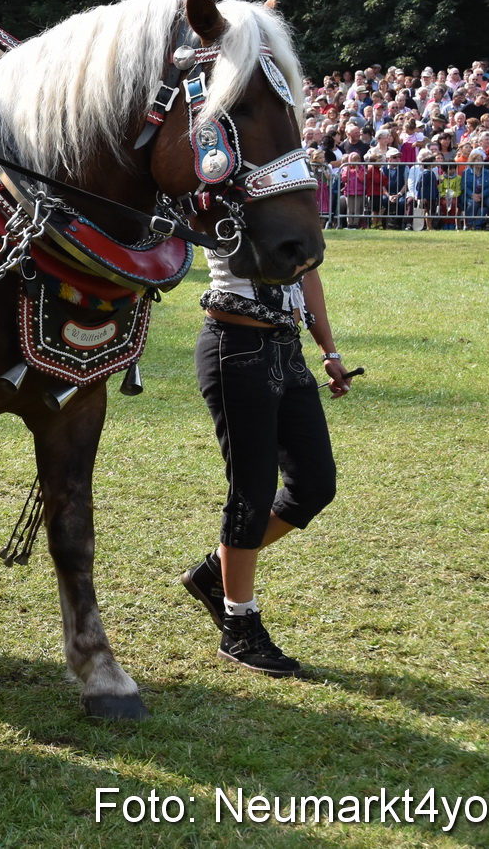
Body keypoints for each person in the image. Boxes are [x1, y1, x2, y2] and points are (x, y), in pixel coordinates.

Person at [180, 250, 351, 676]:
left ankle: (215, 570)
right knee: (251, 491)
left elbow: (308, 273)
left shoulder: (293, 189)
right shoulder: (220, 185)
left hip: (287, 350)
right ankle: (239, 628)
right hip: (234, 350)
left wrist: (328, 350)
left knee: (314, 484)